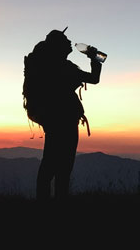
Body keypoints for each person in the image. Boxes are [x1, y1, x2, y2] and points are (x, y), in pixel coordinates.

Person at [23, 29, 102, 200]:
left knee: (51, 162)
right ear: (58, 45)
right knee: (62, 165)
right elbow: (94, 79)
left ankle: (45, 201)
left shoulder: (49, 65)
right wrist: (94, 58)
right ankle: (59, 202)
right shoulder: (62, 67)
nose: (69, 42)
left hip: (53, 119)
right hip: (64, 120)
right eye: (65, 40)